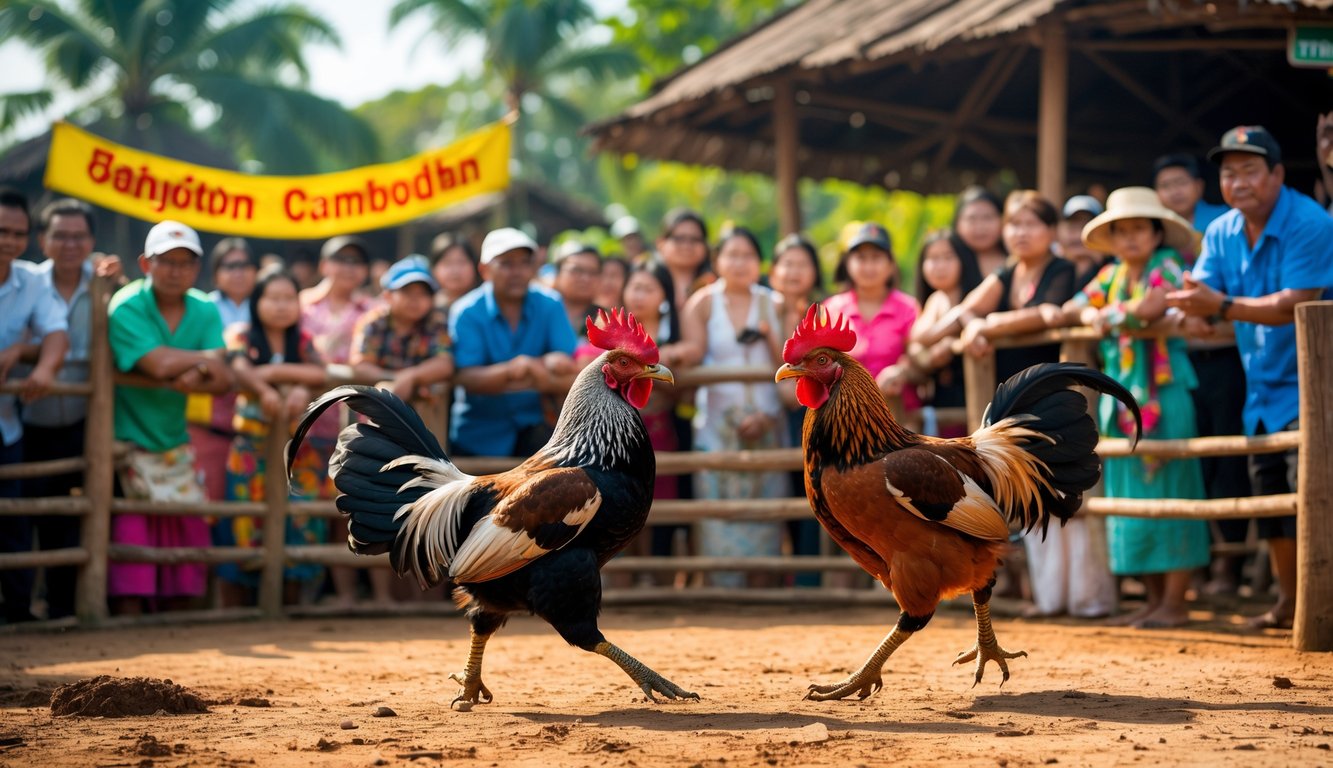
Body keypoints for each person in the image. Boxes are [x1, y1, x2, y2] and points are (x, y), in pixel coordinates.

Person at [1166, 125, 1333, 630]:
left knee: (1317, 496)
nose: (1238, 182)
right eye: (1229, 172)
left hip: (1316, 384)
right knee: (1272, 498)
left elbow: (1295, 303)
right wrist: (1193, 311)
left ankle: (1320, 606)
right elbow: (1200, 292)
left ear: (1277, 174)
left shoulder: (1309, 221)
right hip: (1261, 389)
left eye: (1250, 170)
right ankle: (1290, 602)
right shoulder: (1221, 231)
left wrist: (1216, 307)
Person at [1053, 187, 1210, 628]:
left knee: (1174, 489)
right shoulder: (1110, 274)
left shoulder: (1169, 265)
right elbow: (1073, 307)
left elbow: (1153, 306)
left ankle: (1176, 602)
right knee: (1131, 496)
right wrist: (1097, 314)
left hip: (1165, 393)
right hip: (1121, 400)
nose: (1131, 238)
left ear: (1156, 233)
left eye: (1139, 228)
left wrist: (1106, 315)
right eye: (1122, 231)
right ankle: (1154, 601)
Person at [106, 220, 232, 615]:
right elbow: (159, 365)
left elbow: (223, 377)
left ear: (197, 268)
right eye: (167, 261)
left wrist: (205, 368)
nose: (176, 271)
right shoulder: (127, 305)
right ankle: (127, 623)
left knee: (187, 531)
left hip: (175, 440)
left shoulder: (204, 308)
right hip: (125, 440)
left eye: (185, 263)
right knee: (132, 531)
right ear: (146, 263)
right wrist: (205, 362)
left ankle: (181, 623)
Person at [17, 198, 121, 621]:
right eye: (60, 235)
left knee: (72, 520)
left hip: (83, 423)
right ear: (42, 240)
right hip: (25, 421)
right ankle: (19, 610)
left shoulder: (104, 285)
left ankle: (63, 610)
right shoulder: (26, 283)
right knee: (22, 519)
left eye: (79, 236)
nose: (70, 244)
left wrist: (117, 281)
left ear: (92, 241)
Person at [678, 226, 787, 588]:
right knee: (716, 516)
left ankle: (761, 593)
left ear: (760, 262)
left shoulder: (775, 304)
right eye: (732, 254)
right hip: (717, 428)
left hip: (768, 421)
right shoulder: (702, 304)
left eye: (748, 255)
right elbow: (693, 353)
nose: (740, 263)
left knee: (766, 514)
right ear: (717, 260)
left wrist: (769, 416)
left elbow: (789, 363)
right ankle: (719, 595)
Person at [218, 268, 332, 607]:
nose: (281, 306)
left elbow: (320, 372)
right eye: (273, 298)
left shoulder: (304, 340)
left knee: (301, 524)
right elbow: (239, 368)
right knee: (244, 522)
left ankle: (292, 609)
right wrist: (265, 388)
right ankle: (242, 613)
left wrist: (288, 381)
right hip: (251, 449)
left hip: (299, 452)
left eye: (288, 298)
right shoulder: (241, 334)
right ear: (257, 302)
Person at [0, 189, 69, 624]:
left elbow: (57, 332)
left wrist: (41, 366)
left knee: (13, 520)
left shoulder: (31, 281)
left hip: (7, 425)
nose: (9, 240)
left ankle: (18, 611)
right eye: (2, 231)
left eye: (17, 233)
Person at [448, 227, 577, 458]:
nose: (517, 272)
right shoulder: (466, 311)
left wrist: (515, 372)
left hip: (541, 435)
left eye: (525, 263)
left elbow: (570, 370)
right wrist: (527, 368)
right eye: (506, 264)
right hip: (477, 436)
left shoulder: (550, 304)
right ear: (484, 270)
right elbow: (467, 378)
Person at [299, 235, 378, 606]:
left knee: (345, 508)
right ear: (324, 264)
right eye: (341, 259)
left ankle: (346, 594)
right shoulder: (299, 305)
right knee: (303, 511)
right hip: (304, 426)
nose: (349, 267)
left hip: (353, 427)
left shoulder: (374, 310)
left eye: (356, 261)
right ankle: (304, 596)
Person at [770, 233, 826, 586]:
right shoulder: (762, 309)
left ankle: (809, 579)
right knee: (781, 493)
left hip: (811, 415)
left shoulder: (823, 314)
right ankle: (783, 579)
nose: (793, 271)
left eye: (802, 264)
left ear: (815, 272)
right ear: (773, 271)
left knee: (813, 494)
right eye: (787, 263)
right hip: (770, 417)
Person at [822, 222, 921, 419]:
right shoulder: (831, 309)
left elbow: (919, 357)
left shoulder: (909, 307)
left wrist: (901, 371)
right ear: (848, 263)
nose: (868, 266)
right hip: (844, 417)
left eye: (876, 257)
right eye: (861, 257)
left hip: (899, 418)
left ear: (891, 265)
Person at [190, 237, 257, 505]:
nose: (238, 273)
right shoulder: (203, 307)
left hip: (256, 419)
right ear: (216, 274)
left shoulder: (266, 306)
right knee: (210, 495)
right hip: (209, 419)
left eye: (244, 265)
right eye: (230, 266)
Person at [351, 255, 455, 404]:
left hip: (423, 412)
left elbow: (444, 364)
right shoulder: (373, 322)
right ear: (387, 296)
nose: (415, 299)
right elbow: (361, 366)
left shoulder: (436, 323)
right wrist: (395, 380)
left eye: (423, 293)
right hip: (373, 405)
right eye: (407, 292)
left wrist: (412, 376)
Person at [908, 230, 972, 438]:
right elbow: (915, 342)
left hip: (974, 395)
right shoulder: (935, 299)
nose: (940, 266)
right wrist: (929, 356)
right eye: (933, 258)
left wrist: (951, 344)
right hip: (942, 402)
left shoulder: (975, 295)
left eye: (948, 257)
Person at [1152, 153, 1231, 248]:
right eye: (1165, 185)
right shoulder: (1152, 228)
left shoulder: (1224, 217)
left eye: (1181, 182)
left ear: (1199, 186)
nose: (1175, 192)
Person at [551, 240, 606, 339]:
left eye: (592, 272)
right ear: (558, 274)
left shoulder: (606, 321)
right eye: (577, 270)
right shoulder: (539, 313)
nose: (585, 278)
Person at [952, 186, 1008, 278]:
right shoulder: (948, 262)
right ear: (957, 223)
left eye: (987, 217)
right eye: (972, 219)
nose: (980, 227)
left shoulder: (1017, 261)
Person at [1060, 195, 1112, 290]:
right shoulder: (1055, 269)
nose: (1078, 236)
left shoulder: (1113, 268)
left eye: (1085, 227)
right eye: (1073, 228)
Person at [428, 233, 481, 310]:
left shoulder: (488, 304)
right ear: (433, 269)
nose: (455, 271)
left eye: (461, 262)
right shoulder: (425, 308)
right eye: (447, 263)